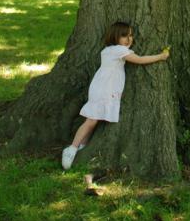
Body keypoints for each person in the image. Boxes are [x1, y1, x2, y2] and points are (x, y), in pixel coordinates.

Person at [61, 20, 169, 170]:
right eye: (124, 36)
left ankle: (81, 145)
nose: (129, 39)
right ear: (115, 36)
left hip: (103, 87)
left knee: (93, 119)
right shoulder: (118, 50)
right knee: (91, 120)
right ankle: (71, 149)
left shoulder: (109, 50)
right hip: (104, 89)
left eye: (131, 35)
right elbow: (139, 60)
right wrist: (160, 57)